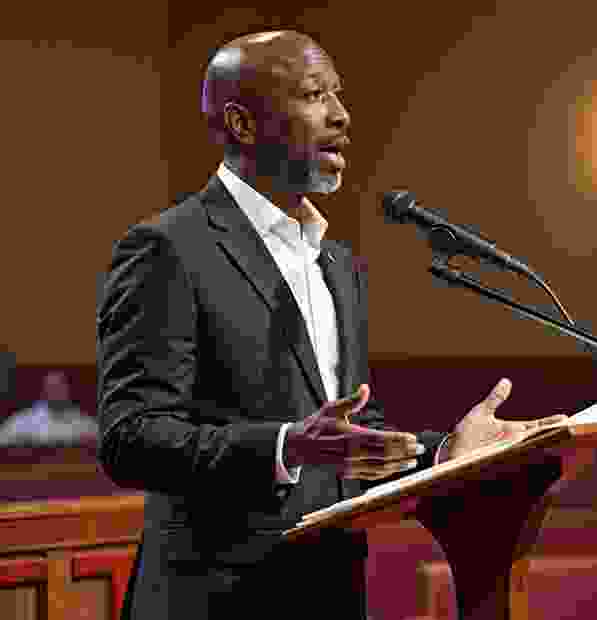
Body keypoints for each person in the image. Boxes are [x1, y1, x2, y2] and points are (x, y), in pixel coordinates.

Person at [96, 30, 566, 620]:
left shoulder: (338, 263)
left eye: (338, 94)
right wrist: (285, 445)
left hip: (329, 594)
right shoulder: (169, 248)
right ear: (242, 124)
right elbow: (131, 438)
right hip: (213, 600)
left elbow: (348, 438)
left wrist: (446, 451)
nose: (342, 116)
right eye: (315, 95)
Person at [0, 371, 98, 446]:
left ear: (68, 390)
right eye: (52, 387)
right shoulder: (21, 421)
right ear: (43, 391)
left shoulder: (85, 424)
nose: (56, 391)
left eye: (60, 386)